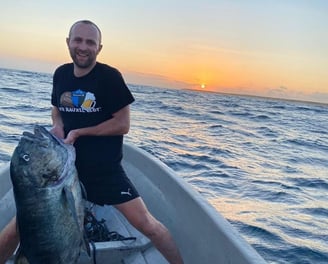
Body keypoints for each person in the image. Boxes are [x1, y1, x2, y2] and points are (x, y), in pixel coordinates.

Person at [0, 20, 184, 264]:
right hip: (62, 171)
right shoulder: (61, 74)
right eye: (78, 40)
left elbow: (123, 124)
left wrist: (80, 133)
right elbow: (56, 108)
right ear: (68, 42)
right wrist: (59, 125)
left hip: (104, 171)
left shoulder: (109, 78)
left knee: (149, 226)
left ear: (99, 47)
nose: (83, 47)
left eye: (90, 42)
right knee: (15, 230)